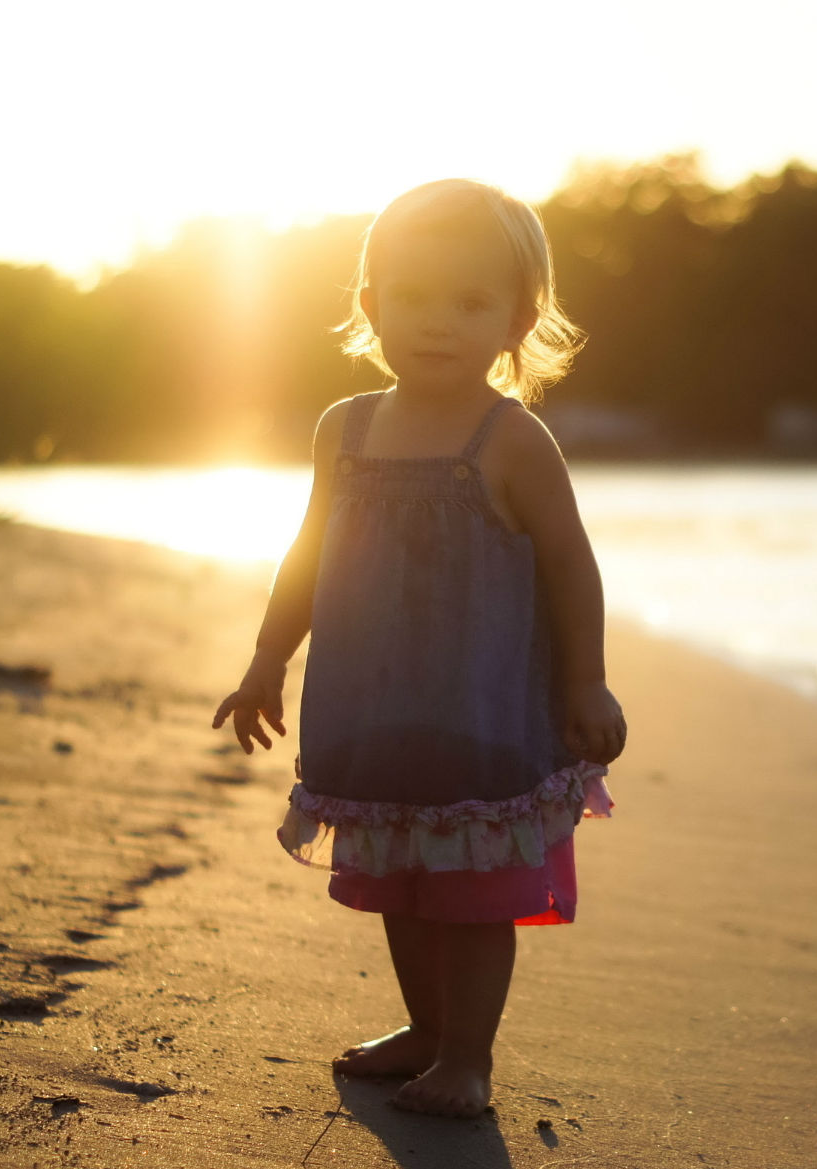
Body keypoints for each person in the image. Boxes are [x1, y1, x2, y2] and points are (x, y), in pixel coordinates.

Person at [212, 179, 625, 1118]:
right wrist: (266, 660)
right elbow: (308, 555)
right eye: (412, 297)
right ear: (371, 306)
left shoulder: (512, 441)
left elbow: (571, 566)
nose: (437, 323)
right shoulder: (344, 430)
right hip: (372, 708)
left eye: (470, 303)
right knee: (400, 879)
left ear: (517, 321)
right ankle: (427, 1032)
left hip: (480, 718)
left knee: (473, 891)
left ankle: (468, 1060)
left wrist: (587, 683)